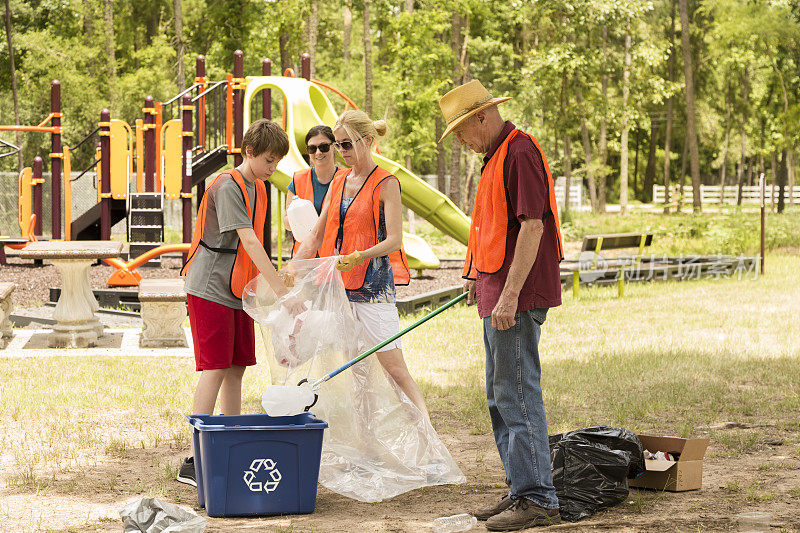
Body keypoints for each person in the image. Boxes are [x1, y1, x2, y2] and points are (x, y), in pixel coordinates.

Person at [438, 80, 565, 530]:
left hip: (518, 297)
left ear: (481, 118)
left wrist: (509, 293)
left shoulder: (519, 152)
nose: (460, 141)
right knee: (500, 394)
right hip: (497, 294)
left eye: (460, 132)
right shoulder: (496, 156)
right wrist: (479, 276)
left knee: (517, 390)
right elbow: (495, 228)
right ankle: (521, 489)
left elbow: (532, 228)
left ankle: (538, 498)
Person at [176, 119, 298, 486]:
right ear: (249, 152)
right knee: (214, 367)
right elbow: (248, 240)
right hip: (209, 286)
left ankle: (227, 442)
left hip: (236, 288)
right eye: (268, 160)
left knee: (237, 366)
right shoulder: (227, 186)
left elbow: (258, 245)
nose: (272, 168)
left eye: (277, 161)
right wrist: (281, 291)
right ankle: (196, 460)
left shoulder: (258, 187)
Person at [292, 110, 431, 421]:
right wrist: (292, 269)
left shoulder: (387, 183)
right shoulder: (339, 179)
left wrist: (360, 255)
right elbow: (316, 233)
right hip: (340, 287)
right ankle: (367, 439)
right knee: (357, 367)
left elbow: (394, 240)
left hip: (374, 289)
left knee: (392, 364)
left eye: (347, 145)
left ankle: (425, 429)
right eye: (338, 145)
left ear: (367, 141)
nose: (341, 152)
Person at [284, 125, 349, 256]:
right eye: (312, 148)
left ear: (334, 147)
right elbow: (286, 222)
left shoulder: (348, 179)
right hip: (305, 258)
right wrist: (299, 219)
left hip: (336, 258)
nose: (318, 153)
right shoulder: (298, 180)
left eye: (324, 147)